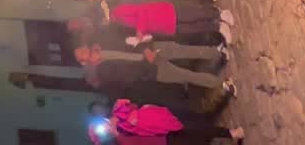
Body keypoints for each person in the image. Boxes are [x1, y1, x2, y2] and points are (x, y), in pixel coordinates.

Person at [75, 41, 238, 95]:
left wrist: (145, 48)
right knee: (187, 76)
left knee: (182, 49)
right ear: (86, 62)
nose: (84, 51)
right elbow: (130, 77)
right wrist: (148, 62)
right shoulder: (104, 72)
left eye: (82, 49)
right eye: (81, 55)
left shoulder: (104, 42)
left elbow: (129, 38)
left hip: (150, 49)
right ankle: (222, 84)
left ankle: (216, 53)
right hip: (152, 70)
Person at [88, 99, 246, 144]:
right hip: (163, 142)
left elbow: (134, 104)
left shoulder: (117, 112)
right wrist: (116, 134)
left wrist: (135, 110)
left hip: (161, 124)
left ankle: (230, 133)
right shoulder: (118, 140)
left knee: (195, 128)